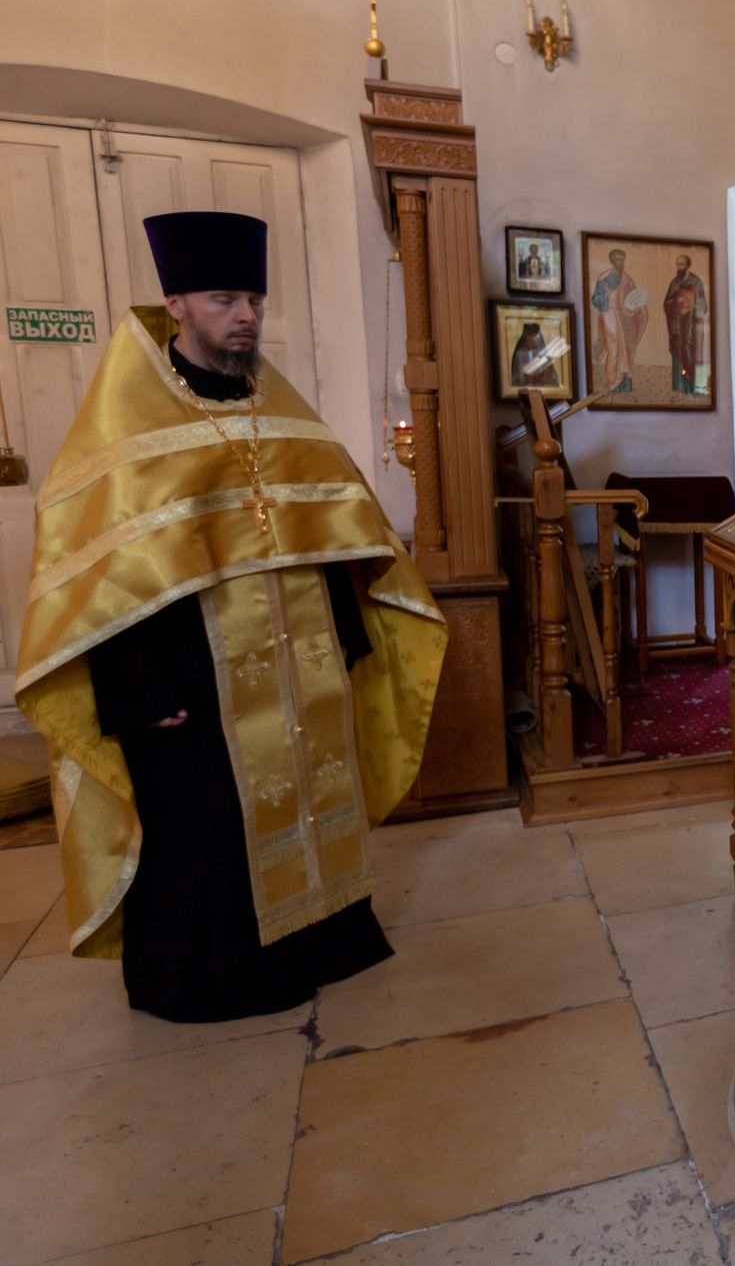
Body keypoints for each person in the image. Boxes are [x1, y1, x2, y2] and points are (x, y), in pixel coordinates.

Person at [15, 211, 445, 1022]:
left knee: (314, 797)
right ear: (176, 303)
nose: (246, 316)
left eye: (254, 300)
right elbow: (98, 570)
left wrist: (347, 639)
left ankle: (323, 940)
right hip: (189, 675)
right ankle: (212, 977)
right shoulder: (124, 420)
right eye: (225, 300)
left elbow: (330, 533)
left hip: (301, 658)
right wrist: (138, 690)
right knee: (206, 826)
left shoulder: (277, 409)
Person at [590, 247, 647, 388]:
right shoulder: (604, 278)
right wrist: (606, 296)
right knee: (614, 351)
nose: (621, 263)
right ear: (612, 261)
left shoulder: (628, 279)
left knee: (627, 351)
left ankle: (624, 389)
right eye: (618, 260)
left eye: (622, 260)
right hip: (610, 317)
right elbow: (595, 300)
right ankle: (612, 384)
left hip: (626, 319)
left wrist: (636, 309)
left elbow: (634, 300)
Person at [662, 253, 708, 395]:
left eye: (682, 264)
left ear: (687, 265)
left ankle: (693, 388)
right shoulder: (674, 283)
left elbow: (703, 305)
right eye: (677, 265)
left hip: (692, 325)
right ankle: (679, 389)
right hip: (678, 326)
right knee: (678, 353)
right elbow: (667, 303)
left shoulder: (696, 282)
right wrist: (676, 305)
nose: (679, 267)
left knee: (692, 354)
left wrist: (692, 308)